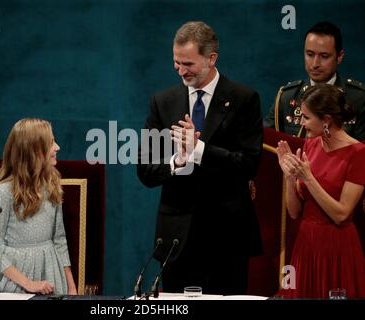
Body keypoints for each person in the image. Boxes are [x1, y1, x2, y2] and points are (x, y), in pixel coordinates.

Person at [137, 21, 263, 295]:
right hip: (177, 240)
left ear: (211, 58)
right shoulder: (163, 102)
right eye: (176, 62)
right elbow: (146, 170)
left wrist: (199, 150)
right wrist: (176, 162)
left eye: (189, 64)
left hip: (227, 238)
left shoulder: (244, 99)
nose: (181, 70)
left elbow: (249, 164)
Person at [276, 83, 365, 298]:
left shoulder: (358, 153)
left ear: (326, 120)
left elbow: (342, 214)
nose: (301, 123)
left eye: (306, 117)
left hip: (337, 248)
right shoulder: (311, 145)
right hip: (305, 245)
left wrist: (308, 178)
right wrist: (290, 178)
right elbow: (295, 213)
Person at [0, 118, 77, 295]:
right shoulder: (3, 193)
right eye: (50, 143)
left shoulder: (52, 186)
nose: (57, 147)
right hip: (15, 283)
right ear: (33, 151)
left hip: (51, 276)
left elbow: (59, 240)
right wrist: (29, 283)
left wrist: (71, 287)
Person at [264, 21, 365, 140]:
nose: (315, 64)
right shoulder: (287, 96)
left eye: (324, 56)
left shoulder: (359, 98)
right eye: (310, 54)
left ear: (340, 56)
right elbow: (268, 142)